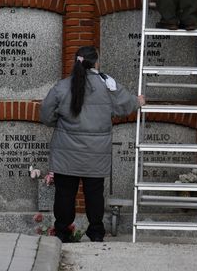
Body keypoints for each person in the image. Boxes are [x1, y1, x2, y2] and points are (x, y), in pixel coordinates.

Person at [40, 46, 144, 242]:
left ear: (76, 62)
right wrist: (137, 101)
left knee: (64, 195)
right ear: (96, 62)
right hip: (96, 152)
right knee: (94, 195)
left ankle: (62, 233)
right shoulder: (108, 85)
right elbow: (125, 105)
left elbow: (46, 115)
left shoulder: (62, 87)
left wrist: (63, 126)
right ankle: (96, 233)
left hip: (66, 152)